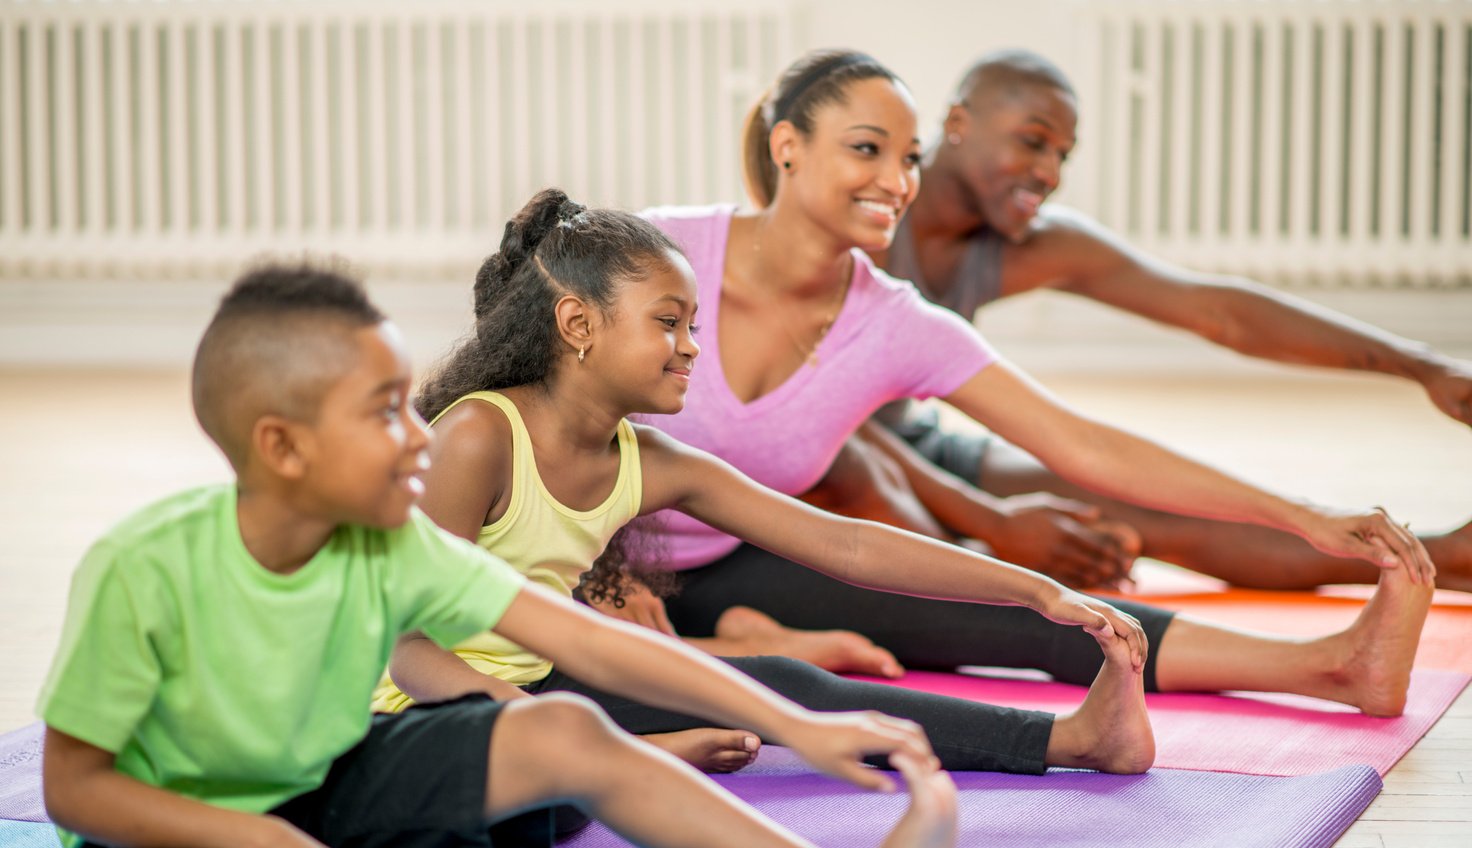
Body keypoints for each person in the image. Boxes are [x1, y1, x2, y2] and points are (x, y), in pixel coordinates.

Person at [36, 263, 964, 848]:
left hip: (323, 781)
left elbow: (589, 644)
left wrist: (798, 722)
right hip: (173, 836)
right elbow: (77, 790)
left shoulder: (387, 543)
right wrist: (269, 842)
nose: (418, 432)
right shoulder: (142, 567)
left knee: (562, 722)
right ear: (282, 446)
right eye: (385, 412)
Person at [603, 48, 1434, 717]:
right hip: (563, 557)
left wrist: (1304, 514)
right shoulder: (659, 250)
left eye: (909, 158)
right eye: (867, 149)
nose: (896, 180)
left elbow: (1082, 444)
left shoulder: (893, 321)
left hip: (723, 559)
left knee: (1011, 600)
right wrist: (601, 570)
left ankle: (1331, 667)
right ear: (788, 146)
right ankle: (734, 646)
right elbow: (525, 410)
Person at [372, 188, 1157, 780]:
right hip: (417, 713)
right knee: (554, 794)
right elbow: (409, 653)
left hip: (539, 686)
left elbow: (845, 544)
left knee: (782, 685)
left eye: (693, 326)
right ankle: (623, 762)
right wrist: (604, 745)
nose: (690, 349)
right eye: (667, 323)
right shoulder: (477, 438)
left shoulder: (648, 459)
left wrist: (1035, 589)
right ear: (578, 325)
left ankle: (1072, 740)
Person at [814, 48, 1472, 592]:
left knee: (1146, 510)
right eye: (1032, 142)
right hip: (827, 462)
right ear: (958, 121)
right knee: (946, 546)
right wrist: (994, 522)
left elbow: (1218, 311)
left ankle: (1441, 557)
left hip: (920, 445)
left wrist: (1421, 365)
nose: (1047, 172)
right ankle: (976, 553)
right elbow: (819, 427)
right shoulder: (857, 212)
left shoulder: (1027, 242)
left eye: (1062, 156)